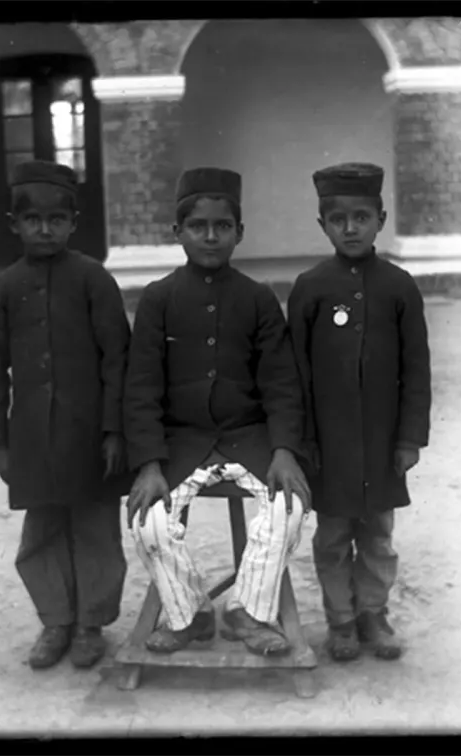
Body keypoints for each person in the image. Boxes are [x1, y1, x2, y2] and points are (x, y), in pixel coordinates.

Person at [123, 167, 312, 657]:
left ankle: (250, 612)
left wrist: (285, 451)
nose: (211, 236)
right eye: (198, 226)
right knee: (149, 522)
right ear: (178, 232)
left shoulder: (258, 298)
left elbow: (282, 385)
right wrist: (148, 464)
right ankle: (190, 615)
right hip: (182, 444)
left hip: (248, 439)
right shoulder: (158, 299)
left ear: (240, 233)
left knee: (289, 507)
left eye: (223, 226)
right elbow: (140, 388)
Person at [0, 160, 132, 670]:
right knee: (41, 532)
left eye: (57, 219)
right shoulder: (4, 288)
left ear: (73, 222)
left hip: (90, 437)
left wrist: (114, 430)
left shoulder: (93, 280)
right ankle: (56, 621)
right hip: (32, 439)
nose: (45, 229)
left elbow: (118, 362)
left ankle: (90, 625)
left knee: (95, 531)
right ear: (14, 223)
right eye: (33, 219)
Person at [287, 162, 432, 662]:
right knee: (331, 537)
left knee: (377, 534)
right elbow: (296, 372)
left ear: (381, 219)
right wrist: (303, 440)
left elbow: (417, 369)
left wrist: (409, 438)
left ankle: (373, 614)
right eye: (339, 219)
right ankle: (341, 621)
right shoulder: (310, 286)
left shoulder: (399, 286)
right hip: (328, 445)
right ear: (322, 224)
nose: (351, 228)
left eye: (362, 217)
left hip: (382, 443)